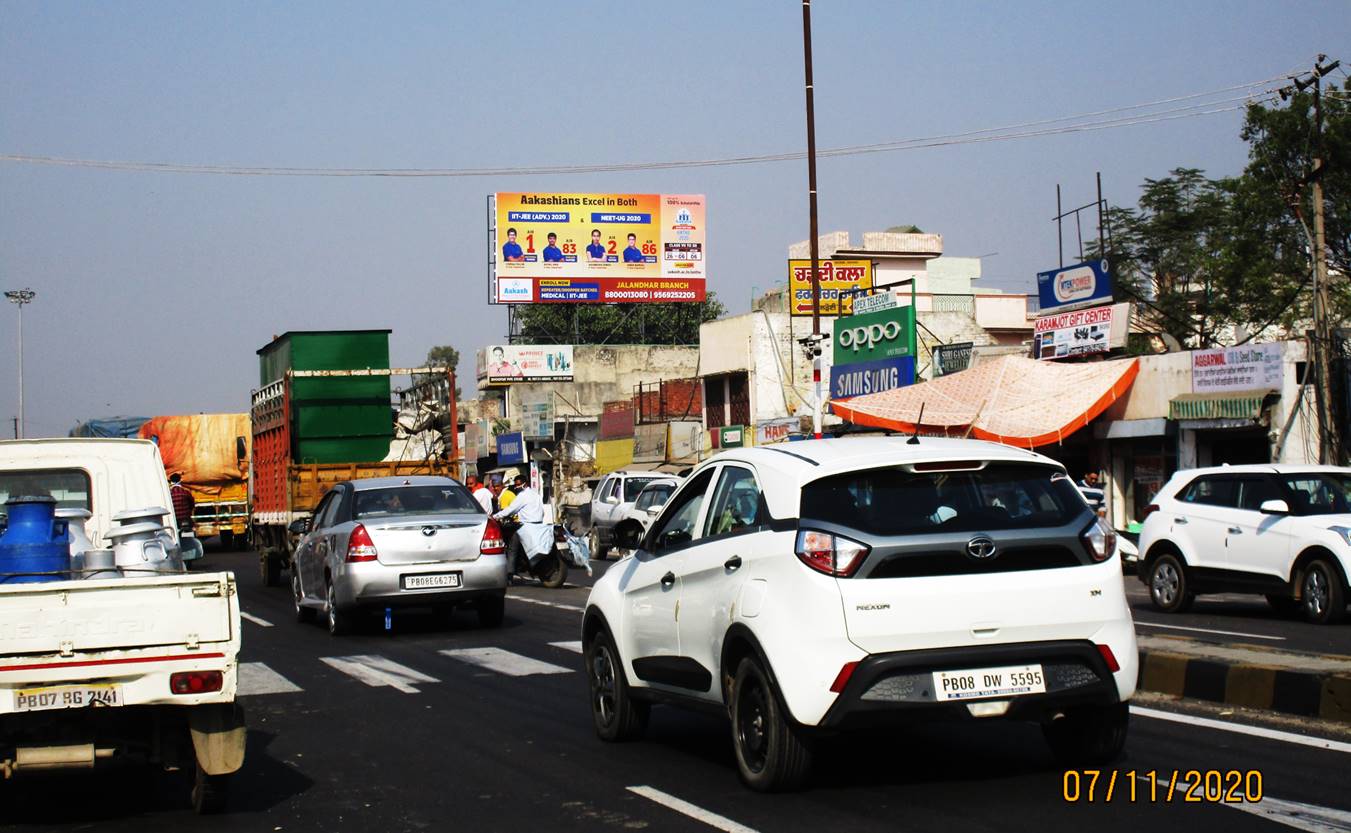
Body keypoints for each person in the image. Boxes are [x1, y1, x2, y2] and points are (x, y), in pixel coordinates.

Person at [494, 475, 552, 569]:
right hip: (538, 525)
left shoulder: (522, 496)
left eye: (518, 485)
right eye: (516, 485)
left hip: (525, 526)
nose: (517, 487)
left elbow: (510, 510)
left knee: (512, 549)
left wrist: (495, 516)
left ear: (525, 484)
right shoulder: (535, 495)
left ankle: (510, 572)